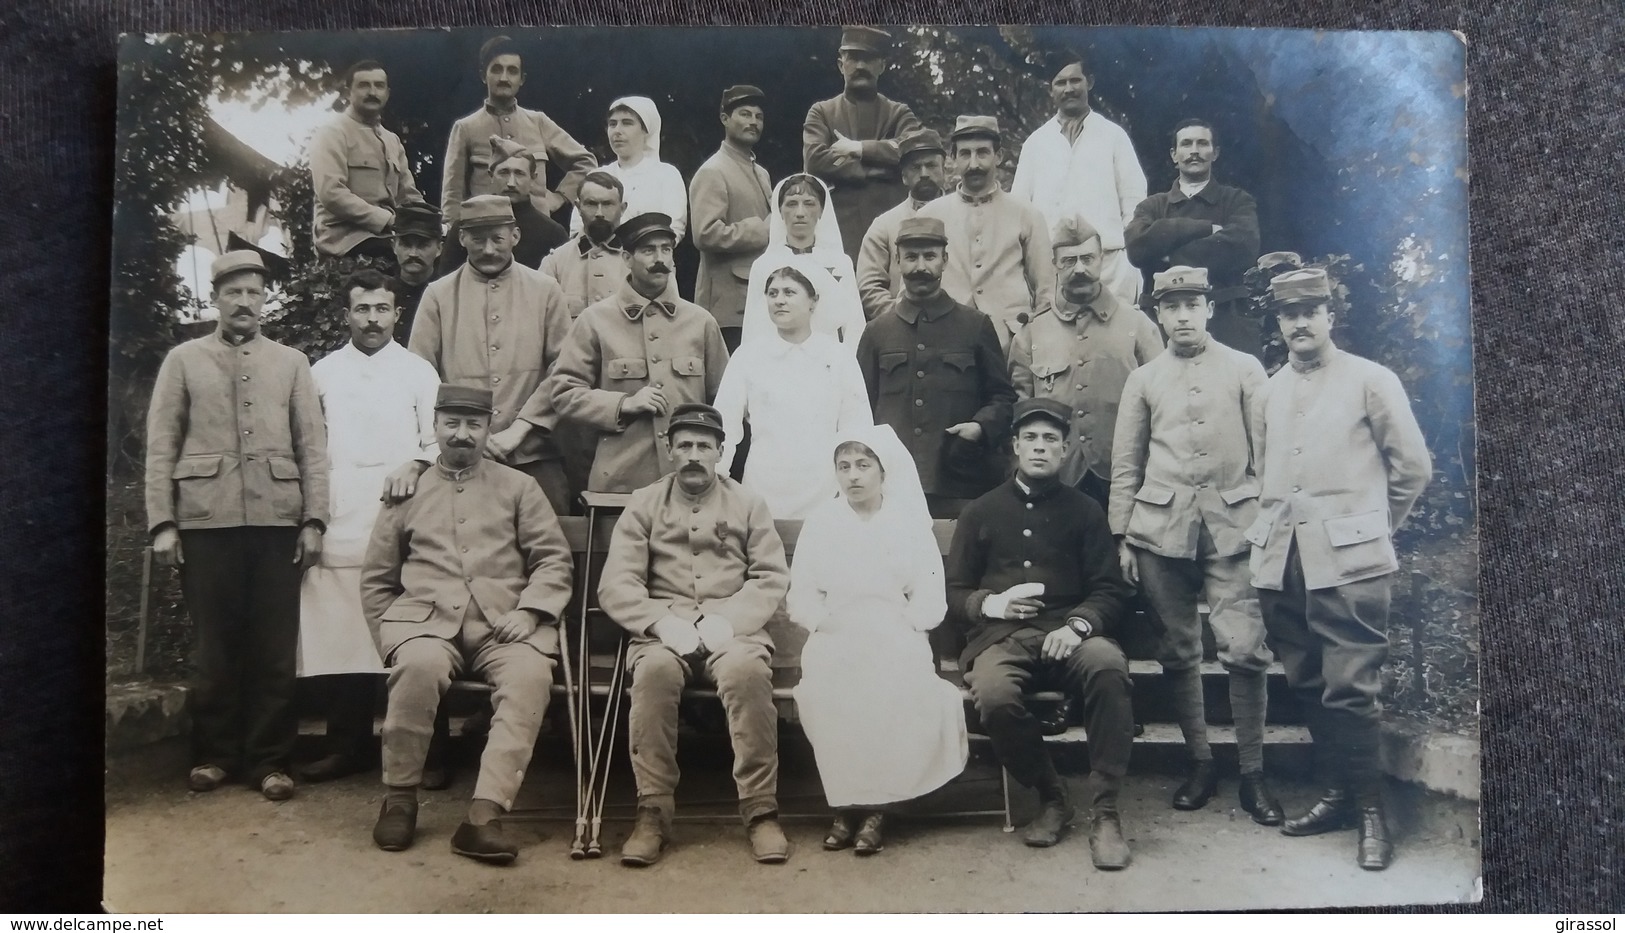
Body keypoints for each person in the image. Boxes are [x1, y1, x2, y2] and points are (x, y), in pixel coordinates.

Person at [1250, 268, 1432, 871]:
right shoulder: (1270, 390)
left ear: (1331, 315)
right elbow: (1265, 472)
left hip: (1350, 563)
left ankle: (1373, 813)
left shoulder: (1370, 380)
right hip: (1284, 562)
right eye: (1289, 314)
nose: (1300, 323)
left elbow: (1412, 470)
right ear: (1278, 323)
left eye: (1312, 310)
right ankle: (1338, 795)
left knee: (1352, 688)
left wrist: (1370, 529)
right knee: (1306, 681)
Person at [144, 250, 329, 801]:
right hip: (205, 522)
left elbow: (312, 448)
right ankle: (215, 755)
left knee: (274, 648)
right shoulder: (183, 360)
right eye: (233, 292)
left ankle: (271, 761)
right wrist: (163, 524)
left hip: (277, 521)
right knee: (216, 648)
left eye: (254, 292)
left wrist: (314, 518)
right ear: (216, 298)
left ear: (265, 299)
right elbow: (161, 446)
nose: (244, 302)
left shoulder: (292, 362)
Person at [361, 384, 573, 864]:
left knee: (530, 677)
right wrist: (392, 638)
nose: (462, 435)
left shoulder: (519, 486)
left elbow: (553, 561)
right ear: (435, 427)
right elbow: (376, 579)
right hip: (427, 624)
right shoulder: (406, 490)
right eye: (452, 424)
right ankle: (399, 799)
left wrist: (532, 611)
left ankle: (484, 815)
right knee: (416, 667)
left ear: (488, 428)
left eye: (473, 425)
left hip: (505, 624)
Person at [1108, 265, 1282, 823]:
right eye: (1172, 306)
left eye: (1192, 304)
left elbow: (1269, 456)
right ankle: (1200, 762)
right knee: (1180, 650)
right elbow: (1126, 466)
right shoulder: (1145, 379)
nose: (1183, 315)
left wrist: (1267, 524)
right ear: (1158, 314)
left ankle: (1253, 772)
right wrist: (1123, 537)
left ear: (1208, 308)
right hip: (1160, 533)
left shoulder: (1244, 368)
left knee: (1245, 649)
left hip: (1235, 528)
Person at [596, 403, 792, 866]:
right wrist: (661, 622)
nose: (693, 455)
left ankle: (761, 810)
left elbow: (769, 577)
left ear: (721, 452)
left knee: (746, 673)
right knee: (654, 675)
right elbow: (617, 582)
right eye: (684, 445)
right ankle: (653, 811)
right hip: (668, 626)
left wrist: (729, 621)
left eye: (704, 446)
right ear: (669, 449)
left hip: (733, 628)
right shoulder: (644, 502)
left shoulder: (748, 502)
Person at [945, 398, 1134, 868]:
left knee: (1108, 667)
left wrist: (1079, 625)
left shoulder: (1086, 511)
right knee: (992, 693)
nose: (1040, 447)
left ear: (1066, 450)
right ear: (1014, 445)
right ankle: (1052, 796)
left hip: (1069, 632)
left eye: (1051, 439)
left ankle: (1107, 812)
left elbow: (1109, 589)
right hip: (1000, 636)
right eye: (1030, 437)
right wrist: (990, 603)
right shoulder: (981, 511)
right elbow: (953, 592)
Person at [788, 424, 968, 855]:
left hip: (894, 628)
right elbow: (803, 592)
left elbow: (929, 591)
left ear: (883, 472)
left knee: (892, 684)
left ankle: (877, 808)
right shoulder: (822, 522)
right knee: (831, 688)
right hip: (837, 630)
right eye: (844, 466)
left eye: (863, 465)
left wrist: (910, 624)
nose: (853, 475)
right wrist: (821, 622)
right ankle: (846, 803)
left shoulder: (907, 522)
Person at [295, 269, 442, 785]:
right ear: (346, 315)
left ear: (396, 313)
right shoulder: (323, 372)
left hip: (403, 515)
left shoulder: (419, 371)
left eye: (382, 309)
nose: (373, 319)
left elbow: (438, 440)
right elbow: (308, 447)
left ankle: (427, 753)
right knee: (341, 631)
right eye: (363, 309)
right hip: (340, 516)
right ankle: (348, 745)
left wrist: (417, 466)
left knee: (412, 629)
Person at [408, 195, 574, 516]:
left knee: (551, 550)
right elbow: (419, 376)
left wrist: (520, 428)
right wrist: (463, 434)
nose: (488, 249)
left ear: (515, 236)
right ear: (461, 238)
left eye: (497, 238)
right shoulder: (438, 296)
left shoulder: (546, 290)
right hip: (460, 456)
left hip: (534, 454)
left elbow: (565, 368)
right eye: (478, 239)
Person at [546, 212, 730, 493]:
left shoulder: (701, 322)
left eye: (666, 249)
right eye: (648, 250)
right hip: (620, 482)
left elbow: (725, 400)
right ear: (627, 259)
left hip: (688, 484)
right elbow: (563, 393)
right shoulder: (595, 320)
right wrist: (622, 404)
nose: (660, 259)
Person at [855, 217, 1016, 519]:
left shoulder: (975, 325)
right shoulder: (877, 332)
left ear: (944, 260)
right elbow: (857, 407)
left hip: (959, 483)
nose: (920, 267)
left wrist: (979, 427)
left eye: (929, 256)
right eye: (911, 257)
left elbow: (1002, 398)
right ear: (898, 260)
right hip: (891, 485)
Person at [1009, 215, 1163, 508]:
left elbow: (1162, 406)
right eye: (1068, 261)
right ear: (1054, 264)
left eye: (1087, 258)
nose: (1079, 268)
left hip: (1124, 481)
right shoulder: (1032, 334)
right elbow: (1019, 413)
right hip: (1055, 484)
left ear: (1102, 259)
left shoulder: (1137, 326)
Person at [714, 256, 872, 518]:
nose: (779, 300)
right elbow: (725, 425)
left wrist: (849, 490)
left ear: (813, 301)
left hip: (824, 492)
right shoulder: (748, 356)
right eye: (773, 293)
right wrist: (719, 479)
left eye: (790, 292)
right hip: (762, 490)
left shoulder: (838, 357)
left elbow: (856, 429)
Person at [1010, 55, 1147, 308]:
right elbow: (1020, 211)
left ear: (1090, 82)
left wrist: (1129, 261)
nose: (1069, 88)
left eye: (1075, 80)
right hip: (1054, 268)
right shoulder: (1035, 143)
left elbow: (1134, 204)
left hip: (1109, 267)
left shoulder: (1113, 136)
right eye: (1061, 83)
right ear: (1051, 89)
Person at [1125, 118, 1262, 356]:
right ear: (1174, 154)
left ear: (1215, 152)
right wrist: (1205, 228)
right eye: (1186, 144)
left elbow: (1243, 247)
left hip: (1224, 320)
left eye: (1202, 144)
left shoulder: (1237, 201)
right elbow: (1137, 248)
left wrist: (1169, 254)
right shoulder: (1152, 206)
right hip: (1162, 324)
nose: (1195, 151)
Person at [918, 116, 1055, 353]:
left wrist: (1036, 344)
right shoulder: (929, 215)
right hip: (944, 341)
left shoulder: (1027, 214)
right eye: (965, 154)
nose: (974, 164)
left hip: (1011, 345)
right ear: (953, 159)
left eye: (982, 153)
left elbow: (1046, 292)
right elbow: (911, 287)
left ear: (998, 156)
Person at [441, 35, 596, 227]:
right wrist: (455, 234)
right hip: (486, 231)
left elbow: (586, 162)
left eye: (512, 71)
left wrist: (559, 196)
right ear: (483, 75)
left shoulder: (538, 122)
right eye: (496, 70)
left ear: (521, 79)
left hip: (535, 232)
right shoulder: (466, 128)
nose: (504, 78)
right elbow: (452, 195)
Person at [803, 25, 923, 265]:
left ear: (882, 66)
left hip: (893, 231)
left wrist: (858, 149)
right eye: (854, 58)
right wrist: (875, 169)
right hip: (839, 233)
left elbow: (912, 150)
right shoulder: (822, 112)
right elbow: (815, 160)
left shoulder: (899, 113)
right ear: (841, 65)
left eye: (869, 59)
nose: (860, 67)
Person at [309, 60, 425, 259]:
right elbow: (331, 192)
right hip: (344, 239)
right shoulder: (332, 133)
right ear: (348, 93)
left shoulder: (392, 140)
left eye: (379, 86)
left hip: (386, 237)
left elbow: (408, 196)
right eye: (364, 85)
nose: (372, 92)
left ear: (387, 93)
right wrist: (387, 220)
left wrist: (428, 222)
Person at [739, 174, 867, 349]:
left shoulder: (840, 263)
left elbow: (854, 325)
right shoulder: (764, 266)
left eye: (809, 203)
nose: (800, 213)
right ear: (780, 211)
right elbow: (753, 329)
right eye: (791, 204)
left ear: (822, 210)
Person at [690, 85, 773, 349]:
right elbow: (705, 233)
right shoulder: (713, 171)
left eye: (758, 117)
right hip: (727, 307)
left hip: (758, 300)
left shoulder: (761, 172)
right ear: (725, 119)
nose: (753, 122)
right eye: (745, 114)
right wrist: (761, 231)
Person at [855, 127, 948, 321]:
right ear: (904, 176)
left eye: (931, 165)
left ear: (944, 170)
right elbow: (869, 286)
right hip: (903, 329)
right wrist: (902, 318)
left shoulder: (963, 217)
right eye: (915, 167)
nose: (924, 173)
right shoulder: (884, 225)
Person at [438, 137, 569, 274]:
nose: (511, 183)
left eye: (519, 173)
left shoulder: (552, 233)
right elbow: (446, 283)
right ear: (491, 175)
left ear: (533, 178)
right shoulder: (465, 227)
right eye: (504, 173)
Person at [571, 96, 688, 243]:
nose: (617, 131)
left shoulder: (666, 175)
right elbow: (577, 230)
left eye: (627, 123)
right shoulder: (596, 176)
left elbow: (674, 229)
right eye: (612, 124)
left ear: (646, 131)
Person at [540, 170, 629, 321]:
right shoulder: (555, 263)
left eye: (607, 204)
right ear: (578, 207)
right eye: (591, 204)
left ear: (622, 208)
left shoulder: (638, 261)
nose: (599, 213)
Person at [389, 203, 443, 340]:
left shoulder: (445, 294)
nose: (413, 253)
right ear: (394, 246)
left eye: (423, 245)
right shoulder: (382, 293)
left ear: (439, 249)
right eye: (406, 245)